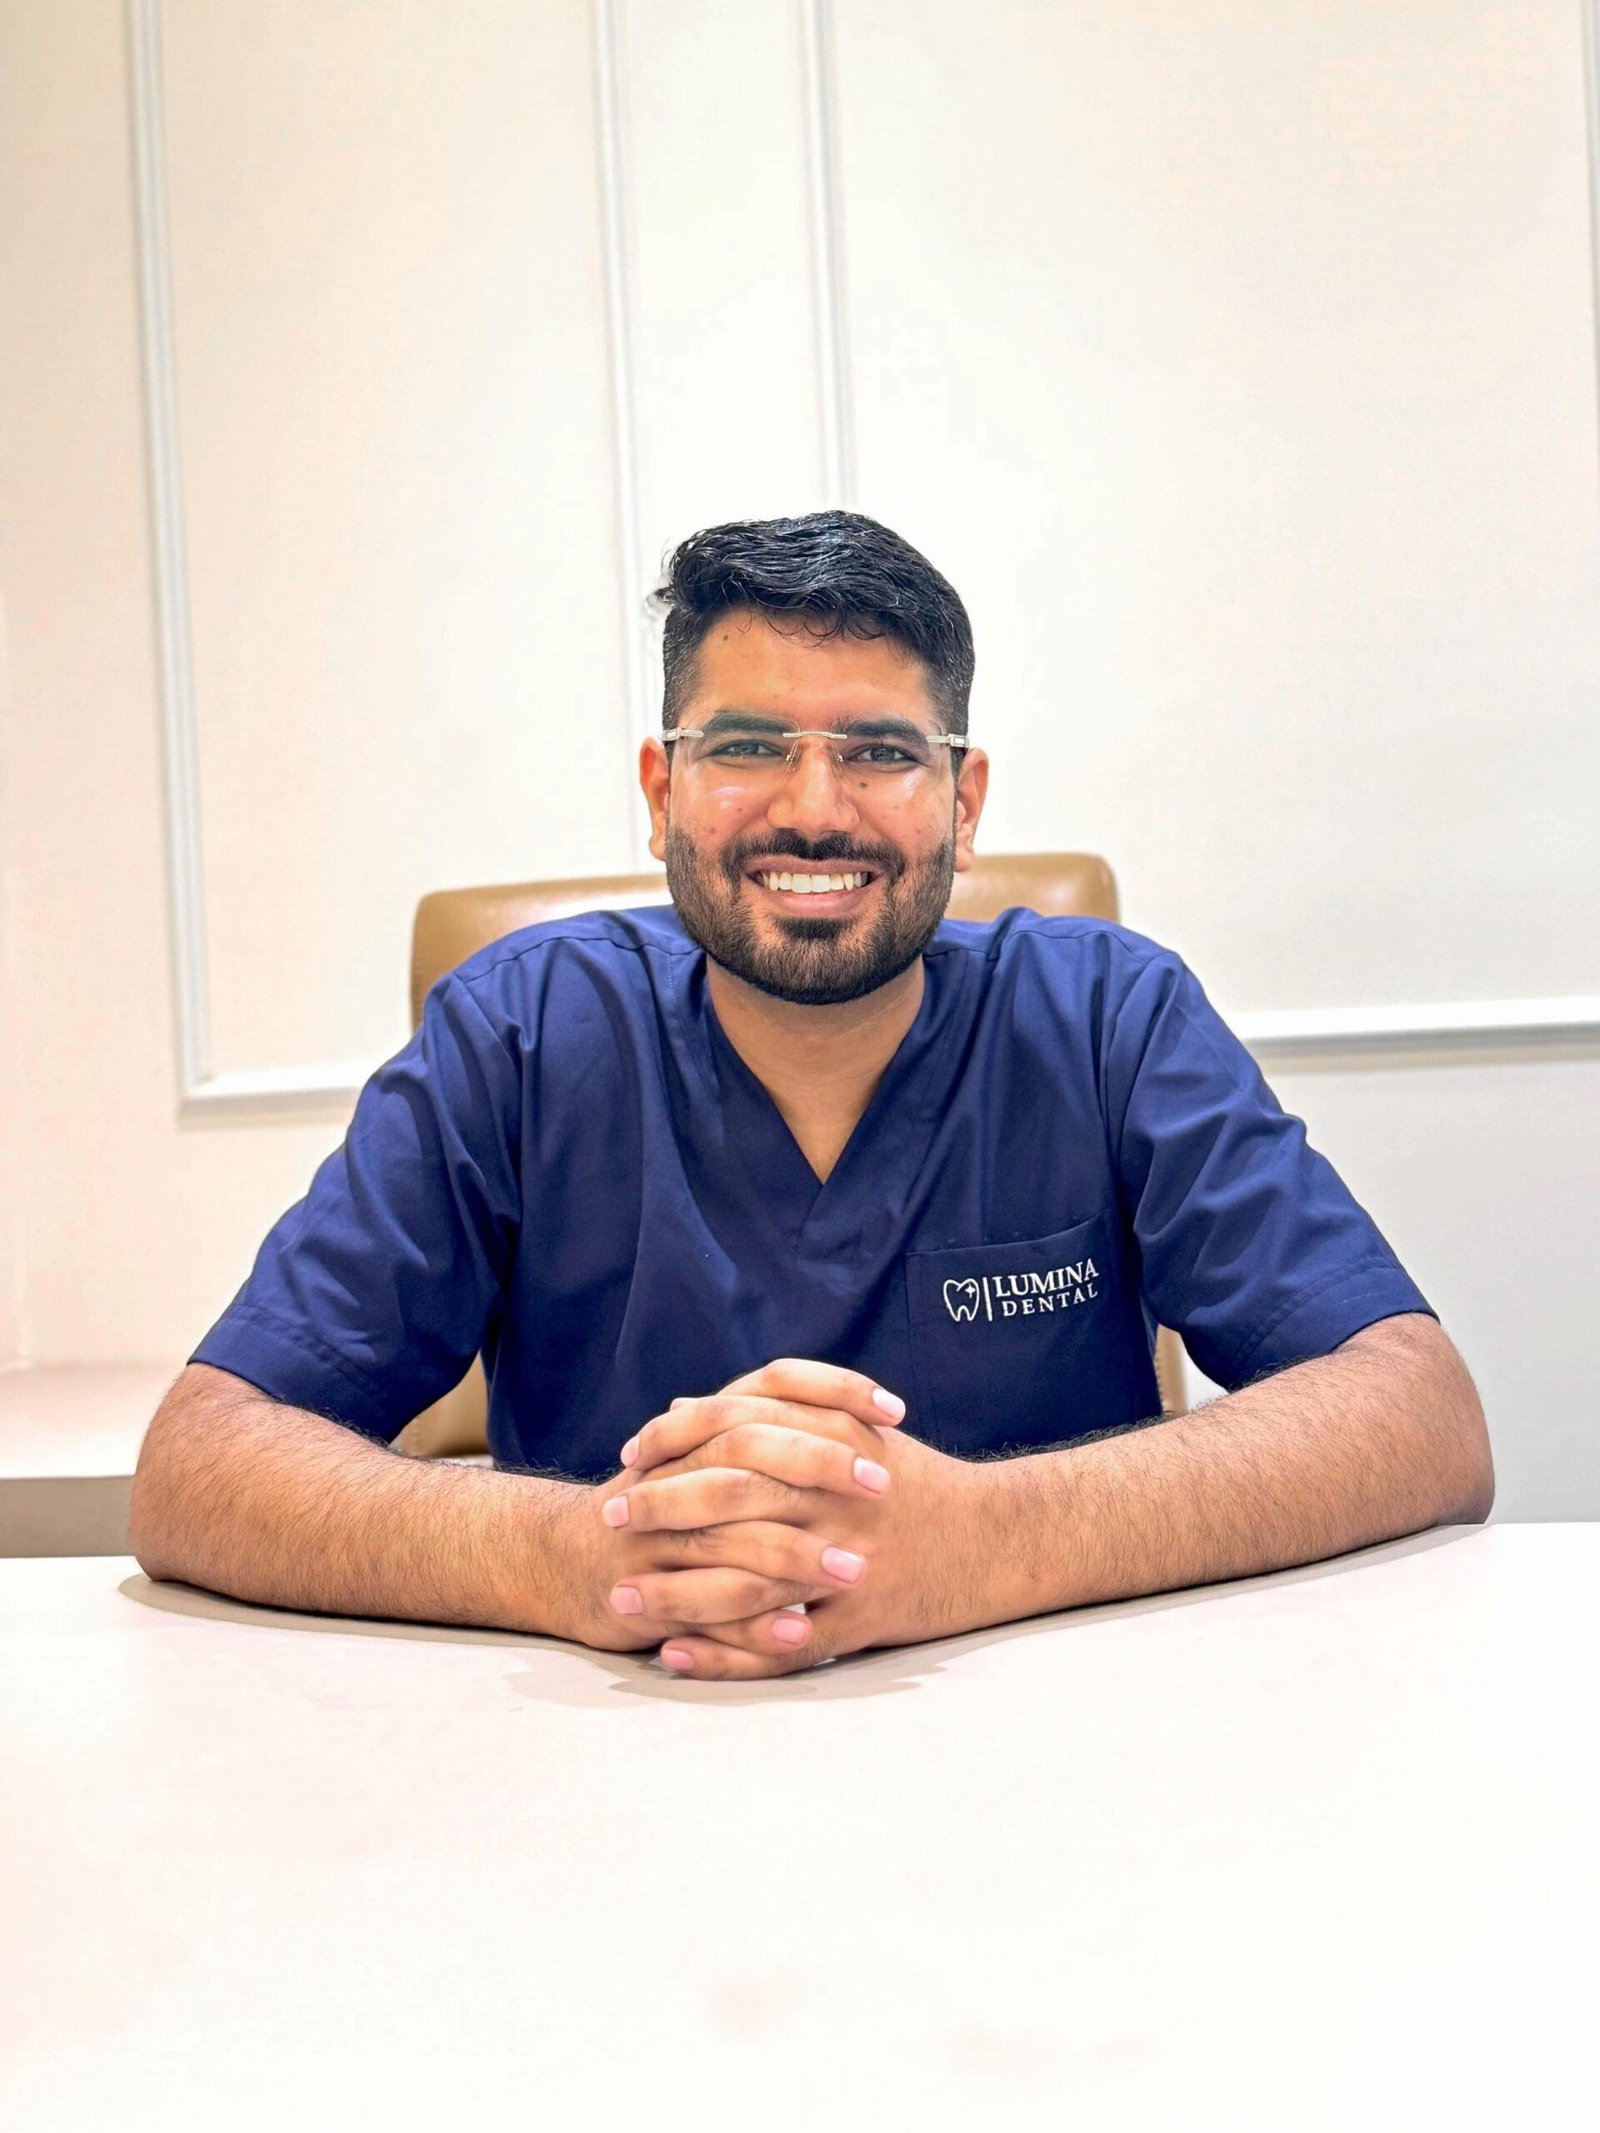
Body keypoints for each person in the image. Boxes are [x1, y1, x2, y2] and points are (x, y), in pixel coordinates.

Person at [130, 511, 1493, 1679]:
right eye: (746, 745)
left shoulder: (1106, 1018)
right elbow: (201, 1465)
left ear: (964, 800)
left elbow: (1417, 1413)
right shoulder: (521, 1033)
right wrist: (582, 1553)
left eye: (882, 751)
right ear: (661, 788)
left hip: (1060, 1750)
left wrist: (980, 1543)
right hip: (613, 1756)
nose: (815, 808)